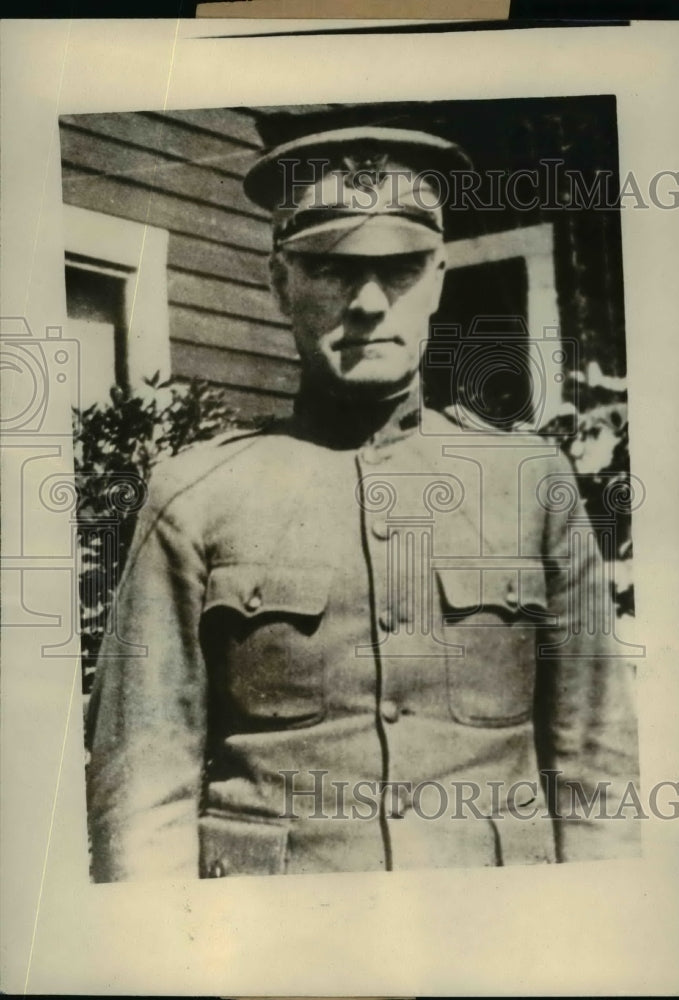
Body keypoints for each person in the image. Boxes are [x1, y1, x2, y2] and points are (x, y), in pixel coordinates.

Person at [86, 125, 639, 882]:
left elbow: (596, 764)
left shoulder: (529, 482)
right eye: (330, 269)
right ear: (280, 283)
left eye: (400, 268)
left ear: (438, 276)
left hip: (490, 932)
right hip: (276, 942)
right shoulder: (195, 495)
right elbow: (145, 787)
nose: (369, 303)